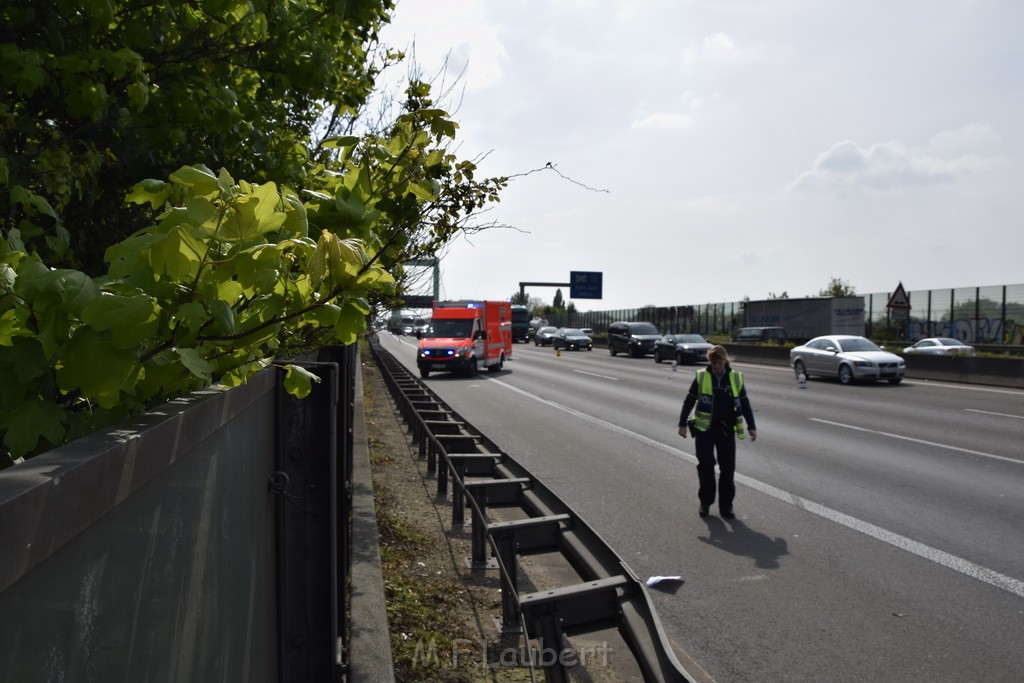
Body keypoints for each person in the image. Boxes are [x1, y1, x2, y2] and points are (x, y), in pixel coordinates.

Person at [677, 345, 757, 519]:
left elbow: (744, 403)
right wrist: (682, 423)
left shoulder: (735, 378)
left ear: (725, 360)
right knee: (706, 466)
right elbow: (689, 401)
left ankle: (726, 506)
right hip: (704, 429)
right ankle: (705, 502)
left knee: (727, 470)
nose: (716, 366)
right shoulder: (701, 376)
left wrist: (752, 426)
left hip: (726, 430)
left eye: (719, 362)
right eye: (713, 362)